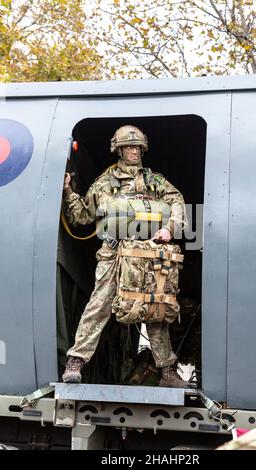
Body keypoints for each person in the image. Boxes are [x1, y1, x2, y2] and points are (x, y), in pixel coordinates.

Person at [62, 125, 188, 387]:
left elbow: (176, 199)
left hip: (149, 255)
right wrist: (68, 192)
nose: (135, 151)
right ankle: (76, 361)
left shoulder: (154, 180)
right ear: (118, 150)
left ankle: (166, 370)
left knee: (156, 307)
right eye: (129, 147)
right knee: (99, 305)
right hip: (115, 254)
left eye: (138, 147)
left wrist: (169, 227)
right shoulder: (105, 182)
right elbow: (82, 216)